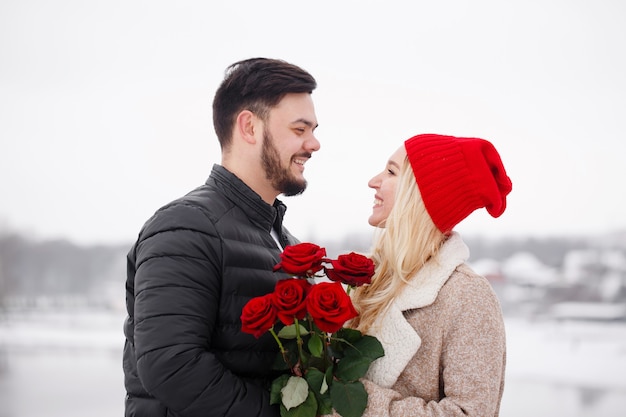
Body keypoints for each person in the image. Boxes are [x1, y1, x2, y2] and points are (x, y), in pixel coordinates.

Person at [122, 58, 320, 417]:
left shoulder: (283, 240)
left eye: (313, 129)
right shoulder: (185, 227)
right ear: (249, 127)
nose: (314, 143)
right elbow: (171, 365)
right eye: (299, 129)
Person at [350, 133, 512, 416]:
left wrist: (350, 399)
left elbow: (470, 412)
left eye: (391, 172)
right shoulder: (369, 279)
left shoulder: (467, 295)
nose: (373, 181)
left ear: (421, 194)